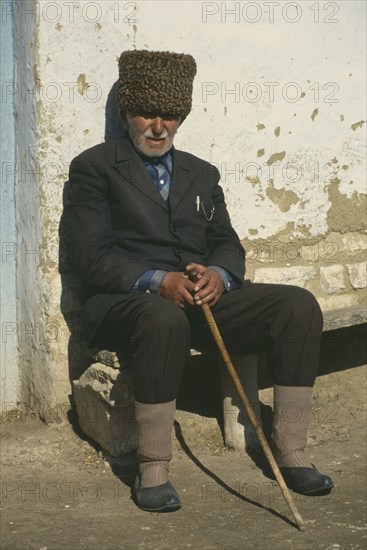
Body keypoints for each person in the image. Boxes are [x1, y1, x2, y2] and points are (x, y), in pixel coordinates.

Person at [64, 49, 334, 513]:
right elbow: (88, 256)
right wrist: (155, 279)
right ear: (127, 112)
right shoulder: (94, 167)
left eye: (169, 116)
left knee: (298, 306)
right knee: (162, 316)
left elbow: (227, 243)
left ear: (180, 118)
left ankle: (290, 451)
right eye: (147, 113)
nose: (157, 126)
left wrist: (220, 275)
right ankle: (153, 468)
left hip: (195, 298)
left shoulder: (201, 173)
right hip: (125, 302)